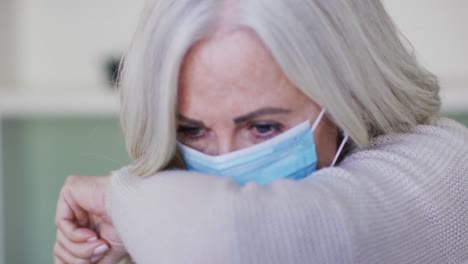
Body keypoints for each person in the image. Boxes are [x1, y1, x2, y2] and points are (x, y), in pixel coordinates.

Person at [53, 0, 468, 263]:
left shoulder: (442, 163)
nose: (224, 163)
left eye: (263, 127)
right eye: (193, 131)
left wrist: (116, 197)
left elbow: (232, 236)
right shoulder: (170, 225)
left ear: (349, 98)